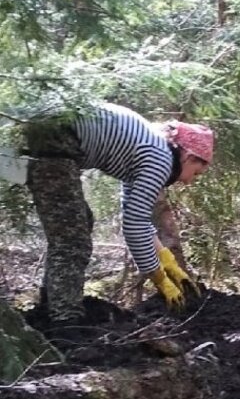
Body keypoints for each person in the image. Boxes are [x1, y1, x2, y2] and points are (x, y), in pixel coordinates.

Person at [23, 103, 213, 329]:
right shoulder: (161, 160)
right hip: (58, 138)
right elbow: (134, 225)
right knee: (73, 239)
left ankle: (50, 304)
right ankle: (66, 324)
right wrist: (159, 278)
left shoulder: (152, 150)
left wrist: (166, 259)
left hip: (55, 134)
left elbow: (136, 215)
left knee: (78, 223)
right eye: (196, 173)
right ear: (188, 157)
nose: (189, 181)